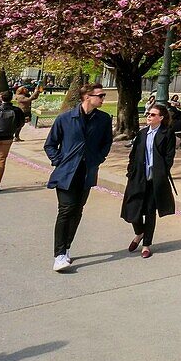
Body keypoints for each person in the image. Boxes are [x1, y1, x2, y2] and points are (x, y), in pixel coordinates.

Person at [45, 83, 114, 272]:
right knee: (66, 210)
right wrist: (59, 161)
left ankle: (66, 248)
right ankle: (59, 254)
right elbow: (50, 144)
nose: (103, 99)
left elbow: (107, 142)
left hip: (87, 172)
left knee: (77, 211)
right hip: (66, 172)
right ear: (87, 97)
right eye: (100, 95)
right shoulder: (66, 118)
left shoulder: (104, 119)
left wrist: (98, 159)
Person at [121, 103, 176, 258]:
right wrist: (130, 171)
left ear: (161, 117)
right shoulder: (142, 133)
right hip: (138, 177)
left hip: (155, 179)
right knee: (132, 208)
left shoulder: (167, 133)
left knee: (150, 212)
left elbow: (169, 156)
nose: (149, 117)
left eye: (152, 114)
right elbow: (133, 155)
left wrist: (163, 171)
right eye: (148, 114)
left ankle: (146, 245)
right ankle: (139, 232)